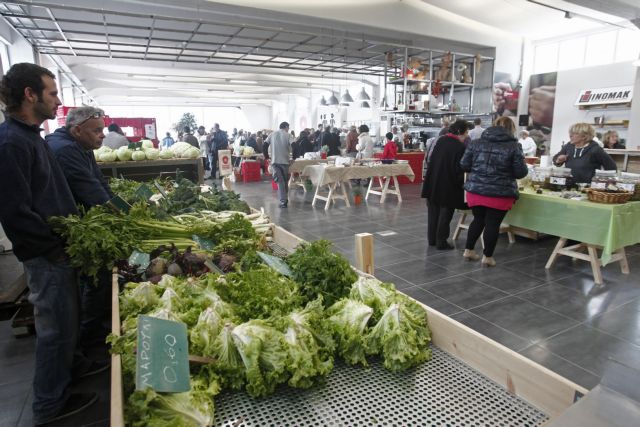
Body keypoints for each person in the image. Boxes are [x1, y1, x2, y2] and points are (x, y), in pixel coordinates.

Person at [0, 63, 98, 425]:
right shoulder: (10, 143)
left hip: (57, 249)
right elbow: (15, 212)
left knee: (65, 322)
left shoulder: (29, 136)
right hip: (45, 254)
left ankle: (69, 375)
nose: (57, 100)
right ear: (30, 94)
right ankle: (49, 405)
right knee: (55, 329)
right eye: (52, 92)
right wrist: (53, 245)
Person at [46, 106, 115, 349]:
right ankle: (89, 335)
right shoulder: (65, 150)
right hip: (66, 228)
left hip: (81, 221)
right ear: (77, 130)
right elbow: (91, 191)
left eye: (103, 129)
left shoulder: (82, 147)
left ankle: (92, 328)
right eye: (97, 130)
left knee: (93, 277)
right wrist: (120, 215)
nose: (103, 135)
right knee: (95, 275)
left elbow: (100, 182)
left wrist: (123, 208)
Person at [460, 117, 529, 266]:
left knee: (478, 220)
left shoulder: (476, 143)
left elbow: (464, 165)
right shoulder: (514, 146)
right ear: (512, 129)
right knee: (493, 223)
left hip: (475, 190)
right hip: (500, 192)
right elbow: (520, 173)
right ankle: (488, 257)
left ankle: (469, 250)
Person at [421, 119, 470, 250]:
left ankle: (432, 239)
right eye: (465, 133)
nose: (466, 137)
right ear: (460, 132)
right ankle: (441, 241)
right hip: (448, 184)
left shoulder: (440, 140)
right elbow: (459, 169)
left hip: (433, 181)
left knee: (433, 211)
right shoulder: (460, 147)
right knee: (446, 213)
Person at [552, 123, 617, 183]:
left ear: (584, 136)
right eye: (570, 133)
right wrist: (558, 160)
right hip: (569, 185)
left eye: (575, 133)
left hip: (588, 188)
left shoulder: (595, 149)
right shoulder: (568, 146)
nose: (570, 135)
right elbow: (555, 160)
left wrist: (603, 182)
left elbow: (612, 167)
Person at [267, 122, 292, 208]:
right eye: (288, 128)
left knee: (280, 181)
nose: (288, 129)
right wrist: (294, 158)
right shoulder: (288, 135)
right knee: (284, 181)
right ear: (286, 127)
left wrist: (267, 157)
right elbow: (295, 145)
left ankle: (284, 201)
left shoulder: (272, 134)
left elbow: (265, 145)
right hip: (285, 162)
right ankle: (284, 200)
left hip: (275, 162)